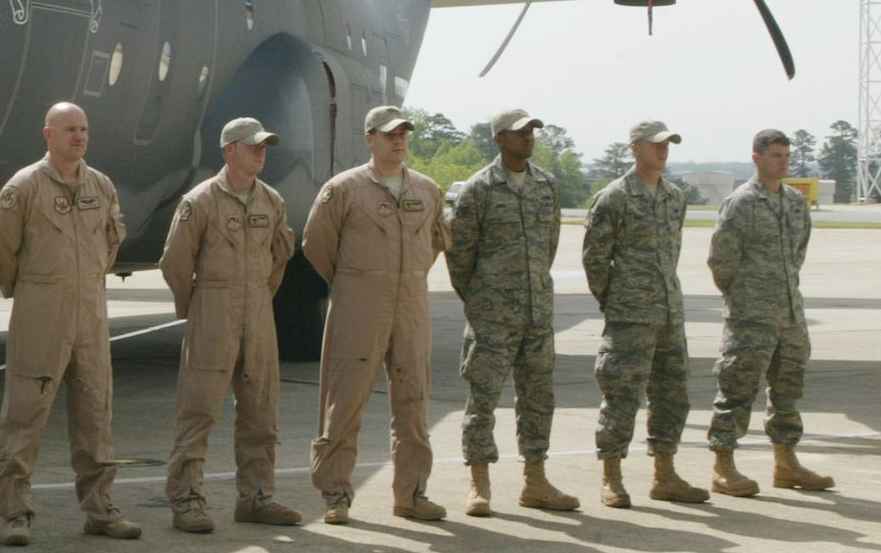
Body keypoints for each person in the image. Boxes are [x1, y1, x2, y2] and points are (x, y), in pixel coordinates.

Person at [0, 103, 137, 546]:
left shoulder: (101, 185)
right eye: (70, 129)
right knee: (25, 415)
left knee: (95, 414)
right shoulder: (24, 186)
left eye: (84, 129)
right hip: (41, 311)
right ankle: (15, 513)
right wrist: (32, 289)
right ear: (48, 134)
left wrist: (84, 280)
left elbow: (111, 241)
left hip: (90, 312)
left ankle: (101, 509)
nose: (79, 136)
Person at [302, 105, 451, 523]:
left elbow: (435, 243)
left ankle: (412, 494)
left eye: (403, 133)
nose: (398, 141)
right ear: (369, 139)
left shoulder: (428, 190)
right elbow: (317, 244)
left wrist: (405, 279)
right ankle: (336, 494)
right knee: (345, 402)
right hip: (359, 308)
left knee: (414, 402)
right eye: (389, 134)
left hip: (411, 308)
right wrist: (357, 282)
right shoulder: (344, 190)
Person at [159, 117, 301, 532]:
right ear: (229, 150)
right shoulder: (200, 201)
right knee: (199, 411)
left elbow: (280, 256)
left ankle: (257, 498)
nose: (261, 152)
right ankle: (187, 501)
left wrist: (259, 296)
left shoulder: (271, 201)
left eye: (264, 146)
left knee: (261, 413)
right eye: (253, 145)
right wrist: (196, 305)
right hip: (213, 309)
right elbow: (175, 262)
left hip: (257, 312)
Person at [444, 108, 580, 515]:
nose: (528, 137)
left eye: (532, 131)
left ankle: (535, 481)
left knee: (538, 399)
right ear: (500, 138)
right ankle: (479, 482)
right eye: (520, 132)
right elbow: (459, 255)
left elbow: (548, 245)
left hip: (537, 313)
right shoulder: (479, 189)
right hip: (492, 316)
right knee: (482, 400)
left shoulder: (547, 186)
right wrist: (482, 298)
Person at [580, 120, 709, 508]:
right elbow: (595, 259)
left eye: (667, 143)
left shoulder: (674, 196)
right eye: (656, 144)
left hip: (669, 314)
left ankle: (665, 475)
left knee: (673, 396)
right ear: (635, 148)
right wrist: (617, 301)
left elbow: (672, 252)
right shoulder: (614, 197)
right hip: (630, 317)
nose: (663, 149)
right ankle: (612, 476)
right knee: (621, 396)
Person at [706, 129, 834, 495]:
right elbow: (721, 261)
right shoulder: (741, 203)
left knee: (788, 391)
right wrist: (745, 300)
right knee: (737, 389)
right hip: (751, 318)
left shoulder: (794, 202)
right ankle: (723, 466)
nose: (784, 162)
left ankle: (786, 463)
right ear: (757, 159)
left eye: (787, 155)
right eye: (776, 155)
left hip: (789, 315)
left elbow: (797, 254)